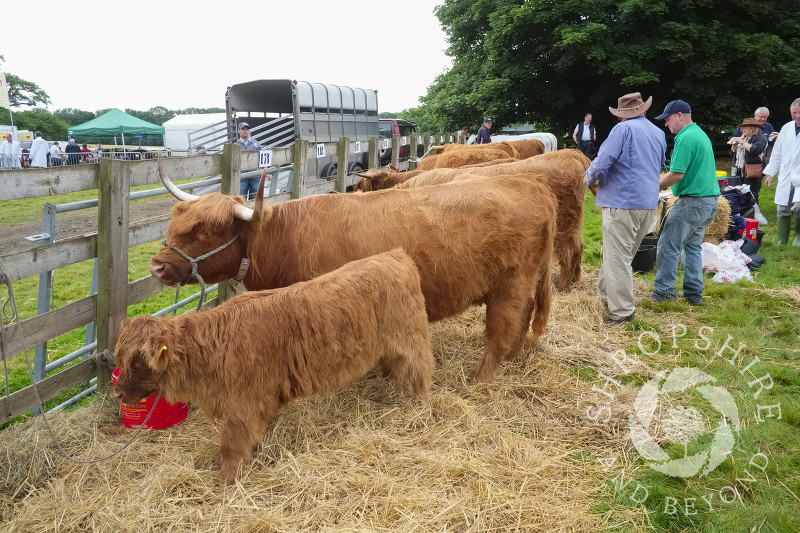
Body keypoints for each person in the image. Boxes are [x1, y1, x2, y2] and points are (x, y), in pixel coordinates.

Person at [585, 92, 666, 325]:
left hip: (622, 204)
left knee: (618, 259)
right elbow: (659, 163)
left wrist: (588, 178)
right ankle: (602, 298)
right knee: (619, 256)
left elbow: (602, 162)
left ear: (621, 116)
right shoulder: (658, 132)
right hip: (648, 203)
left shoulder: (622, 130)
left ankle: (622, 312)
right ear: (644, 110)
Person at [651, 100, 719, 306]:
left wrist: (652, 188)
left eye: (668, 119)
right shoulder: (699, 134)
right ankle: (693, 293)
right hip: (710, 201)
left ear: (680, 115)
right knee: (692, 247)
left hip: (693, 202)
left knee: (668, 245)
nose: (666, 124)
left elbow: (676, 174)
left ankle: (663, 292)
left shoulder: (685, 137)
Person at [764, 98, 800, 246]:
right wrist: (770, 173)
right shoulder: (786, 128)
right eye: (794, 113)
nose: (797, 116)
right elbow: (777, 152)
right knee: (782, 207)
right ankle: (782, 240)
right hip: (786, 174)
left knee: (798, 207)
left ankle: (798, 237)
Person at [730, 117, 768, 208]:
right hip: (739, 169)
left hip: (752, 170)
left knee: (751, 191)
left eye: (745, 128)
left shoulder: (761, 138)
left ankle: (754, 213)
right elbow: (732, 155)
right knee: (739, 190)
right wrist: (734, 146)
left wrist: (741, 142)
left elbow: (755, 150)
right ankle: (744, 211)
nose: (742, 130)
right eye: (742, 128)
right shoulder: (744, 138)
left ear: (753, 128)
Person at [235, 121, 264, 200]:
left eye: (246, 129)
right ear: (238, 131)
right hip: (242, 176)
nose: (245, 131)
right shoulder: (235, 146)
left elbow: (262, 158)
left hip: (255, 175)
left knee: (255, 198)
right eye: (243, 129)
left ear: (249, 131)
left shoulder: (256, 144)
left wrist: (265, 172)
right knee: (241, 199)